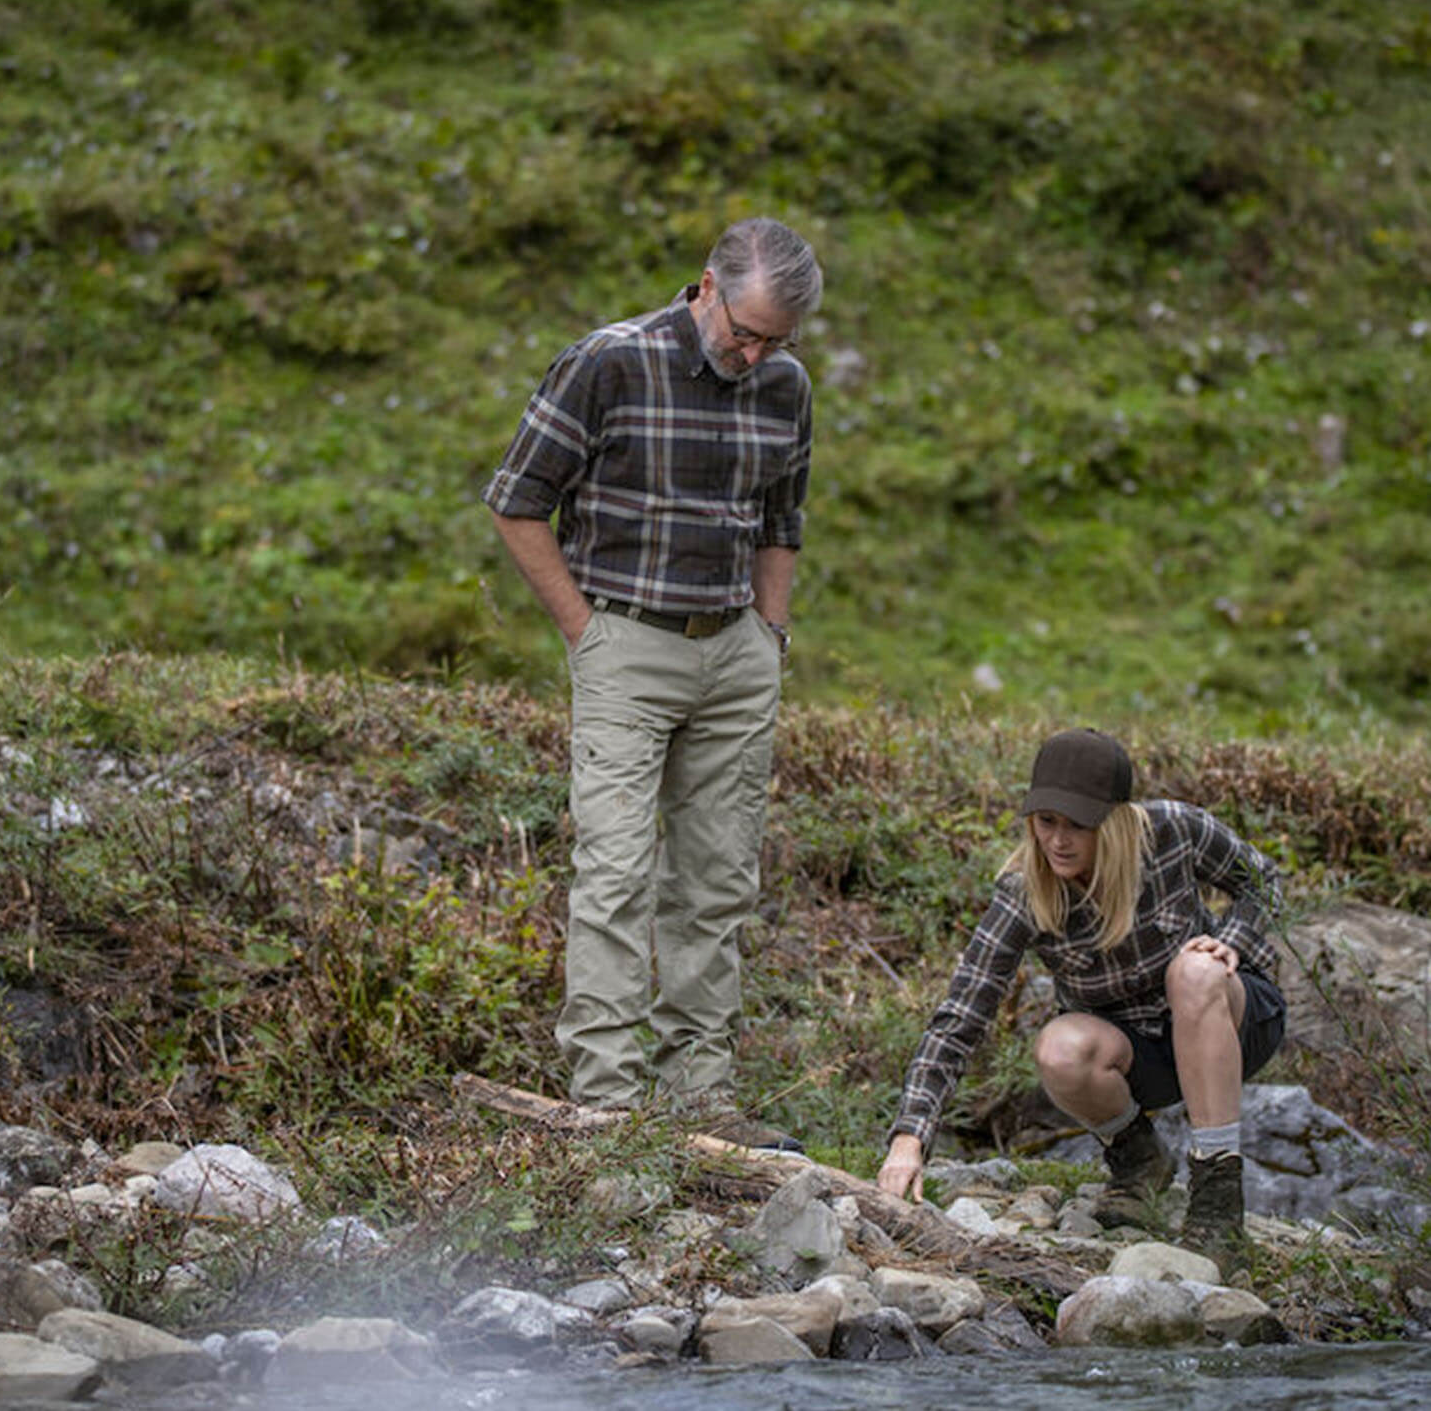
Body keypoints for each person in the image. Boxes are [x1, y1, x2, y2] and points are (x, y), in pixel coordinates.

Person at [482, 218, 823, 1151]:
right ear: (705, 287)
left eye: (774, 341)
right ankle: (607, 1100)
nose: (754, 354)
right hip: (626, 643)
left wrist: (771, 632)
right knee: (617, 870)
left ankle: (699, 1094)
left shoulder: (786, 387)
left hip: (735, 654)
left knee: (717, 879)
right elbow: (517, 501)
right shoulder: (606, 363)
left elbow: (781, 519)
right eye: (743, 331)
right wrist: (584, 634)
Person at [876, 728, 1287, 1271]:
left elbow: (1264, 882)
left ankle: (1217, 1207)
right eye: (1046, 823)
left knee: (1193, 972)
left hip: (1231, 1022)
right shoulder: (1025, 892)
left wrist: (1230, 942)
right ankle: (1139, 1161)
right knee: (1059, 1048)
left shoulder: (1175, 829)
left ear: (1113, 821)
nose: (1058, 841)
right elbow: (960, 1017)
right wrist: (910, 1139)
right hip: (1137, 1057)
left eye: (1078, 825)